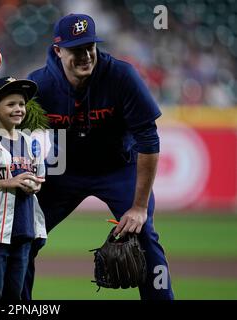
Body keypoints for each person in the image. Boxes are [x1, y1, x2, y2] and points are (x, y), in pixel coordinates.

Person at [23, 13, 174, 300]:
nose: (85, 56)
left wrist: (139, 207)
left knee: (144, 238)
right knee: (23, 237)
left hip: (118, 170)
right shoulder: (39, 85)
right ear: (58, 50)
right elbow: (16, 134)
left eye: (89, 47)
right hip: (64, 170)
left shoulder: (121, 76)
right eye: (76, 50)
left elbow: (149, 139)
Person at [0, 76, 47, 300]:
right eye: (11, 104)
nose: (18, 109)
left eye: (21, 104)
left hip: (23, 231)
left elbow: (39, 177)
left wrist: (33, 185)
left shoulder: (31, 142)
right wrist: (7, 183)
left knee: (14, 295)